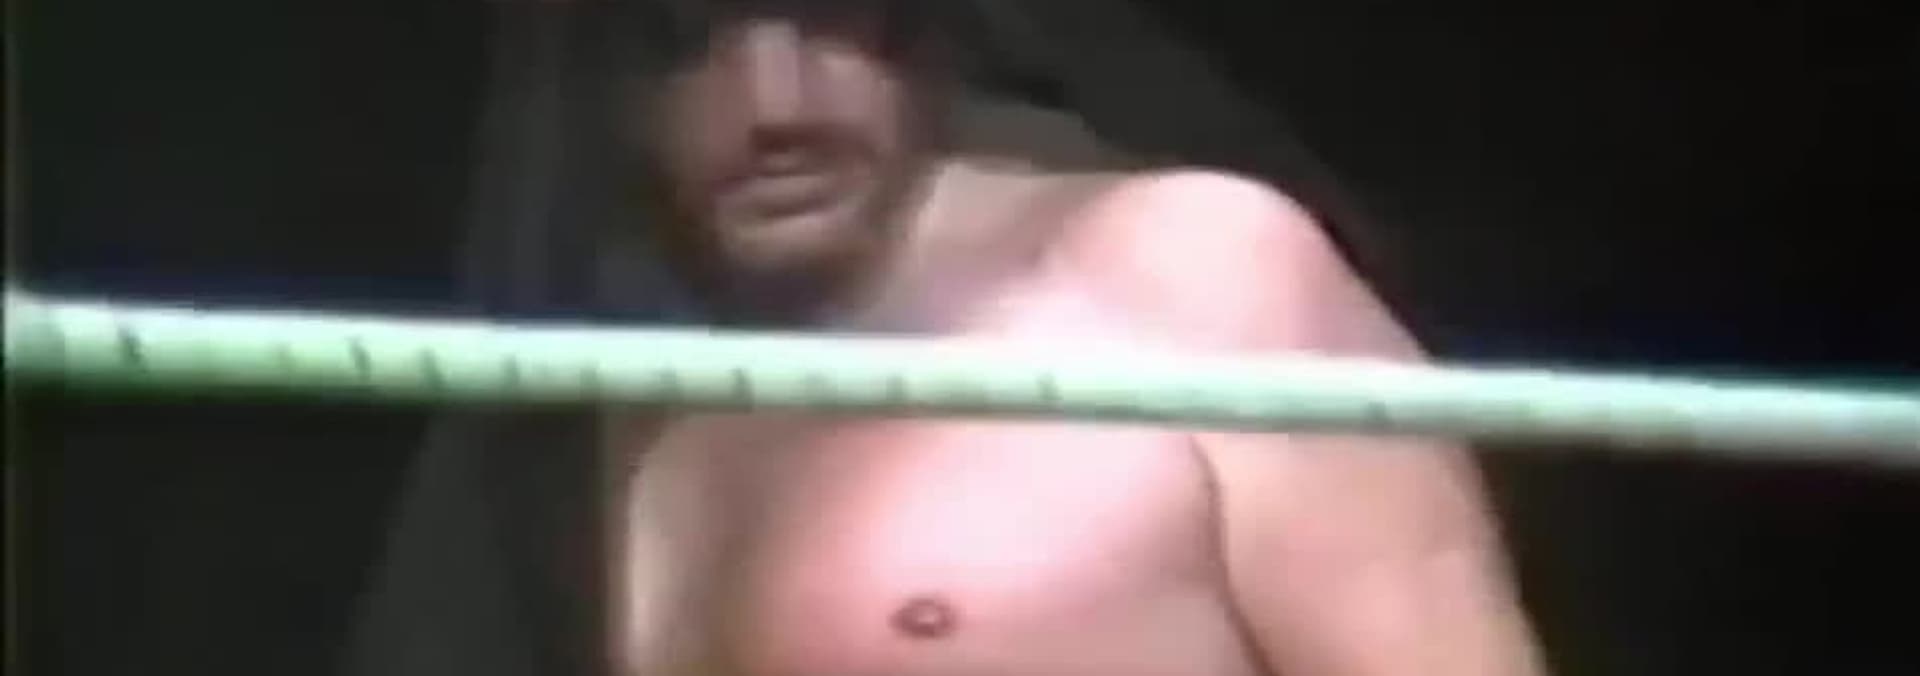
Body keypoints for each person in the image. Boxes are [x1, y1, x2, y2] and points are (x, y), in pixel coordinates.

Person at [595, 1, 1548, 675]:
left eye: (834, 22)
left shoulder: (1191, 261)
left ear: (924, 36)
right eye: (686, 43)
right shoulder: (664, 430)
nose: (776, 107)